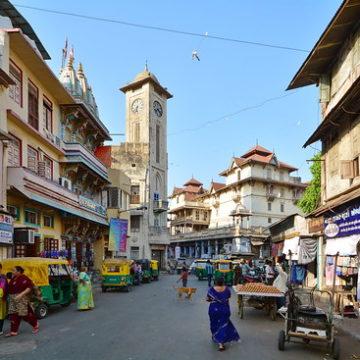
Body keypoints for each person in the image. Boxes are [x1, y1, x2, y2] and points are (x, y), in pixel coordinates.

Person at [206, 277, 240, 351]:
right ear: (223, 282)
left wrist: (214, 299)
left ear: (215, 282)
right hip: (225, 310)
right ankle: (220, 340)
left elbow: (207, 299)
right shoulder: (227, 289)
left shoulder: (211, 290)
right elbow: (229, 296)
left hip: (214, 310)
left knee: (214, 324)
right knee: (223, 325)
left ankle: (220, 343)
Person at [6, 266, 39, 337]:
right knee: (13, 314)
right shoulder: (14, 278)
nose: (12, 272)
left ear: (19, 271)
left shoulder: (24, 278)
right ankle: (14, 331)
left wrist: (21, 295)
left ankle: (36, 325)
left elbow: (29, 288)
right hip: (13, 299)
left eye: (14, 270)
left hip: (21, 298)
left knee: (24, 314)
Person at [0, 264, 8, 335]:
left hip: (1, 299)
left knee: (1, 314)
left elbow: (2, 288)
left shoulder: (2, 277)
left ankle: (0, 330)